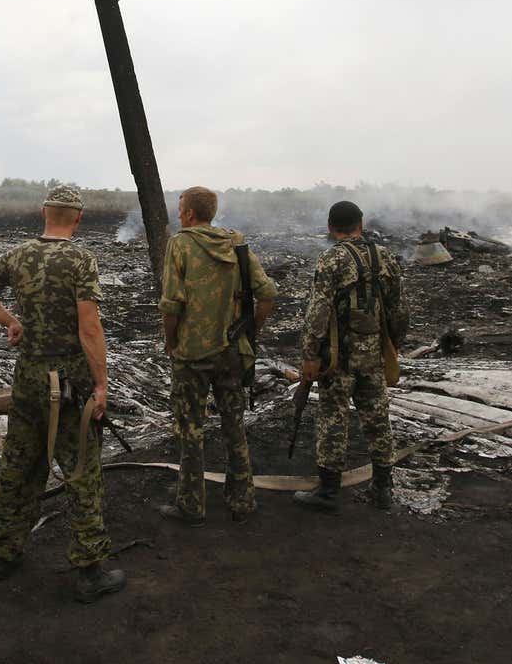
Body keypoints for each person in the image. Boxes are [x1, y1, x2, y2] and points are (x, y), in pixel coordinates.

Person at [0, 185, 127, 603]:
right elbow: (89, 327)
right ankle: (90, 568)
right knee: (81, 470)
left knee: (20, 462)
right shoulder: (80, 259)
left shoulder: (19, 255)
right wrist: (101, 383)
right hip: (70, 383)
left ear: (44, 212)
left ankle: (3, 552)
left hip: (28, 379)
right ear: (77, 218)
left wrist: (11, 321)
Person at [158, 186, 277, 525]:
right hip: (231, 353)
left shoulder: (179, 244)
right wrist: (249, 331)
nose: (179, 212)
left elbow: (171, 305)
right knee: (234, 424)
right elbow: (267, 294)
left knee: (190, 429)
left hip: (191, 355)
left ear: (190, 214)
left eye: (180, 207)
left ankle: (191, 505)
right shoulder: (235, 243)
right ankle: (242, 500)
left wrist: (171, 340)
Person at [293, 200, 408, 513]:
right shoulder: (384, 256)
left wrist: (310, 355)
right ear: (362, 222)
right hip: (372, 354)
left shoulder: (331, 259)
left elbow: (317, 314)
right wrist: (393, 346)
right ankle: (383, 488)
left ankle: (328, 492)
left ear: (331, 227)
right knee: (377, 418)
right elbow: (398, 308)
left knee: (333, 417)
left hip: (337, 357)